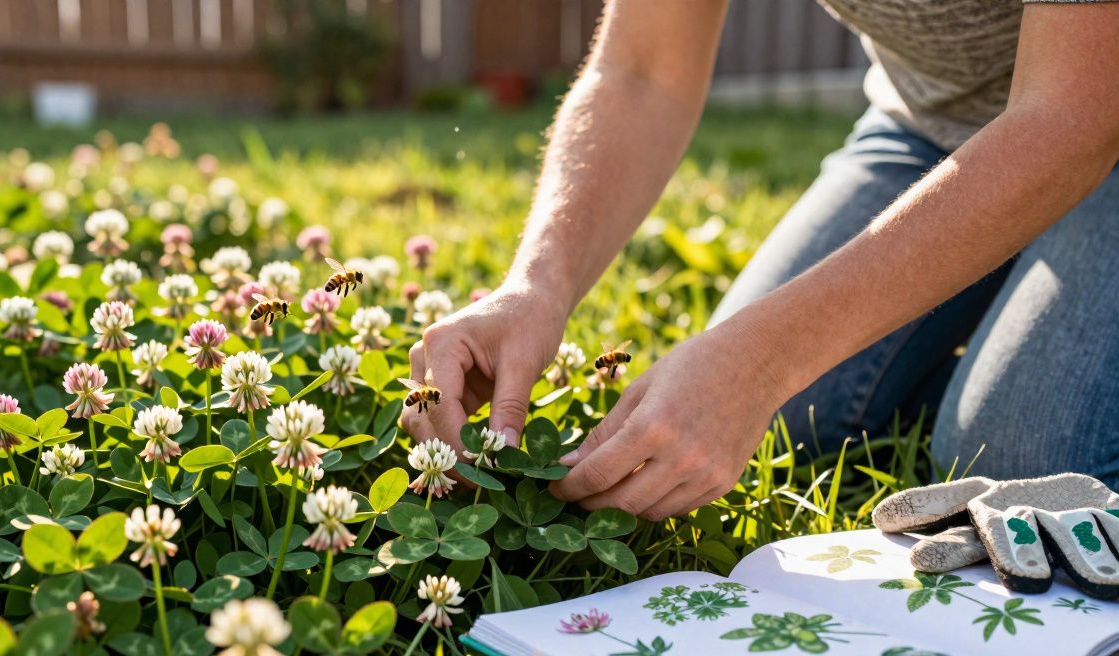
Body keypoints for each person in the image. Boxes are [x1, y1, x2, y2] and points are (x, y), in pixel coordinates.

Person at [400, 1, 1119, 521]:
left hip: (1090, 113)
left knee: (1021, 462)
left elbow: (1071, 116)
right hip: (929, 124)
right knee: (785, 420)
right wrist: (537, 282)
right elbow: (644, 69)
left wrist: (759, 361)